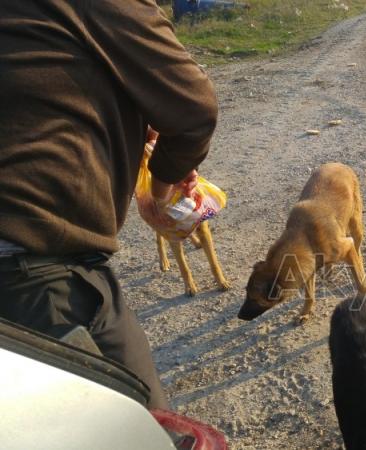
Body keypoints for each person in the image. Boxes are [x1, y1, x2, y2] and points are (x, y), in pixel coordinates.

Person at [0, 0, 218, 409]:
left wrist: (130, 126)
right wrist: (161, 188)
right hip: (34, 276)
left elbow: (37, 90)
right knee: (143, 427)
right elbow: (194, 109)